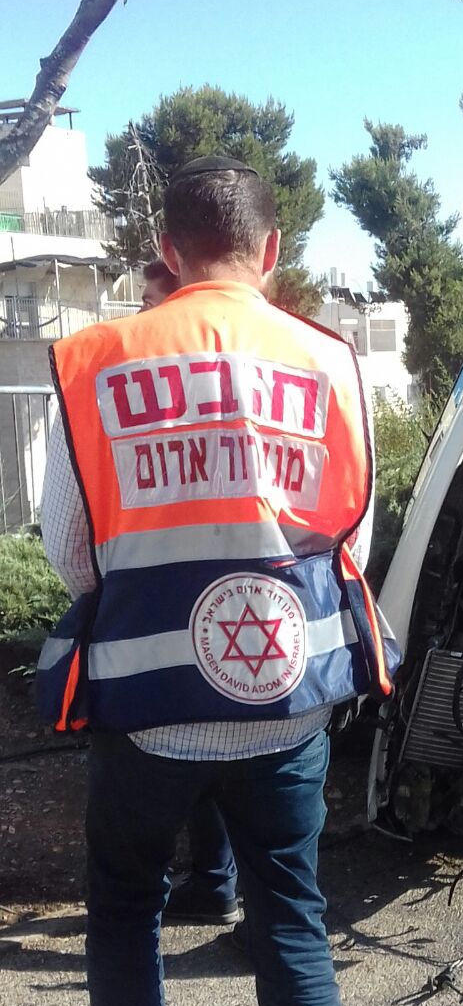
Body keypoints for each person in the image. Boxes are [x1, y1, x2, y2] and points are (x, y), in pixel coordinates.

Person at [37, 156, 397, 1006]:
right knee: (292, 924)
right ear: (273, 249)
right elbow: (354, 545)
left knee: (123, 910)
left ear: (168, 250)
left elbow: (68, 551)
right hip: (282, 702)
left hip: (146, 706)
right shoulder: (331, 363)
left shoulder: (95, 360)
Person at [138, 257, 241, 927]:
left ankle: (210, 882)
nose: (144, 311)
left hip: (181, 612)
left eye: (151, 298)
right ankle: (214, 882)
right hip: (235, 610)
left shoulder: (147, 390)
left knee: (193, 767)